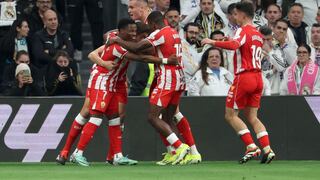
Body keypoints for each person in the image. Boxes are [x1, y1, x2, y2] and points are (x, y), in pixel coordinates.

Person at [69, 18, 180, 166]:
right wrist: (166, 61)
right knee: (96, 117)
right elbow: (141, 57)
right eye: (131, 31)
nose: (134, 34)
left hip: (113, 85)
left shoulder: (117, 39)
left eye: (135, 31)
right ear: (121, 31)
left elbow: (112, 37)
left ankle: (117, 156)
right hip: (102, 82)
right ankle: (78, 153)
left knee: (115, 119)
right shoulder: (118, 47)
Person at [110, 11, 191, 165]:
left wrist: (118, 40)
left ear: (153, 24)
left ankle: (180, 147)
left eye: (149, 26)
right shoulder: (173, 32)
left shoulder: (159, 33)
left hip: (168, 79)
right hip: (179, 78)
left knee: (152, 117)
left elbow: (138, 48)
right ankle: (174, 153)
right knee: (167, 117)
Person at [201, 1, 275, 164]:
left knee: (230, 115)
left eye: (235, 14)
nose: (234, 17)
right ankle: (267, 149)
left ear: (242, 14)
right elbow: (244, 46)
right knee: (252, 116)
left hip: (245, 76)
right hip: (258, 78)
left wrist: (212, 42)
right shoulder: (257, 33)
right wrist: (230, 39)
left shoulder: (243, 30)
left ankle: (251, 146)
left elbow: (235, 45)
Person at [0, 18, 30, 84]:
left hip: (26, 69)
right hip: (10, 70)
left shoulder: (29, 40)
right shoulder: (6, 43)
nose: (28, 29)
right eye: (25, 27)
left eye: (28, 27)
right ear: (18, 29)